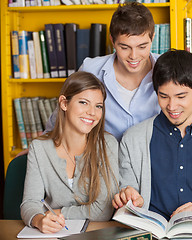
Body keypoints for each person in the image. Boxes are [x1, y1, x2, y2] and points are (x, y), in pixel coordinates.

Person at [45, 2, 192, 142]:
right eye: (124, 47)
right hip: (103, 164)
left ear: (153, 38)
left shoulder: (169, 69)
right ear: (112, 41)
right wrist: (43, 145)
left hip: (153, 166)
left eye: (142, 47)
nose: (134, 56)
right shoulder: (91, 69)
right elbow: (61, 116)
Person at [111, 49, 192, 221]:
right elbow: (127, 196)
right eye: (163, 96)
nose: (172, 106)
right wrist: (129, 199)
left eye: (181, 96)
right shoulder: (132, 139)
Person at [20, 72, 120, 233]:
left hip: (96, 235)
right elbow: (30, 202)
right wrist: (40, 220)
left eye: (98, 106)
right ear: (64, 103)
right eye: (83, 102)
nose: (92, 112)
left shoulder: (107, 145)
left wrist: (59, 212)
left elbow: (103, 210)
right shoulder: (39, 148)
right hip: (54, 235)